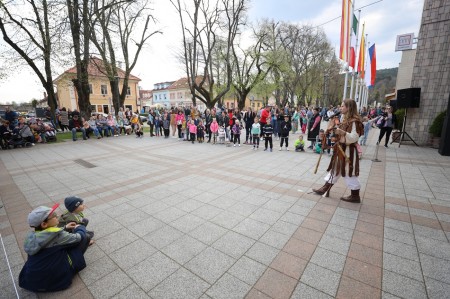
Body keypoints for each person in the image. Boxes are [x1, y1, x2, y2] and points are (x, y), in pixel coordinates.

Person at [19, 204, 89, 292]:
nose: (57, 216)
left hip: (31, 281)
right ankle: (74, 264)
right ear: (44, 224)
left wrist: (65, 228)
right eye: (54, 216)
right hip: (55, 282)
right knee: (85, 237)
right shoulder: (59, 236)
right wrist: (81, 227)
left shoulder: (33, 236)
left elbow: (50, 235)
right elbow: (79, 238)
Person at [312, 99, 364, 203]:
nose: (340, 108)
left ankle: (355, 195)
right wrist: (332, 131)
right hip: (340, 149)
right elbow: (339, 134)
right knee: (335, 169)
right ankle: (325, 188)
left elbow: (354, 137)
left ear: (349, 108)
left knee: (349, 172)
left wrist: (341, 132)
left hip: (348, 151)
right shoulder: (345, 119)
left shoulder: (355, 122)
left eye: (342, 106)